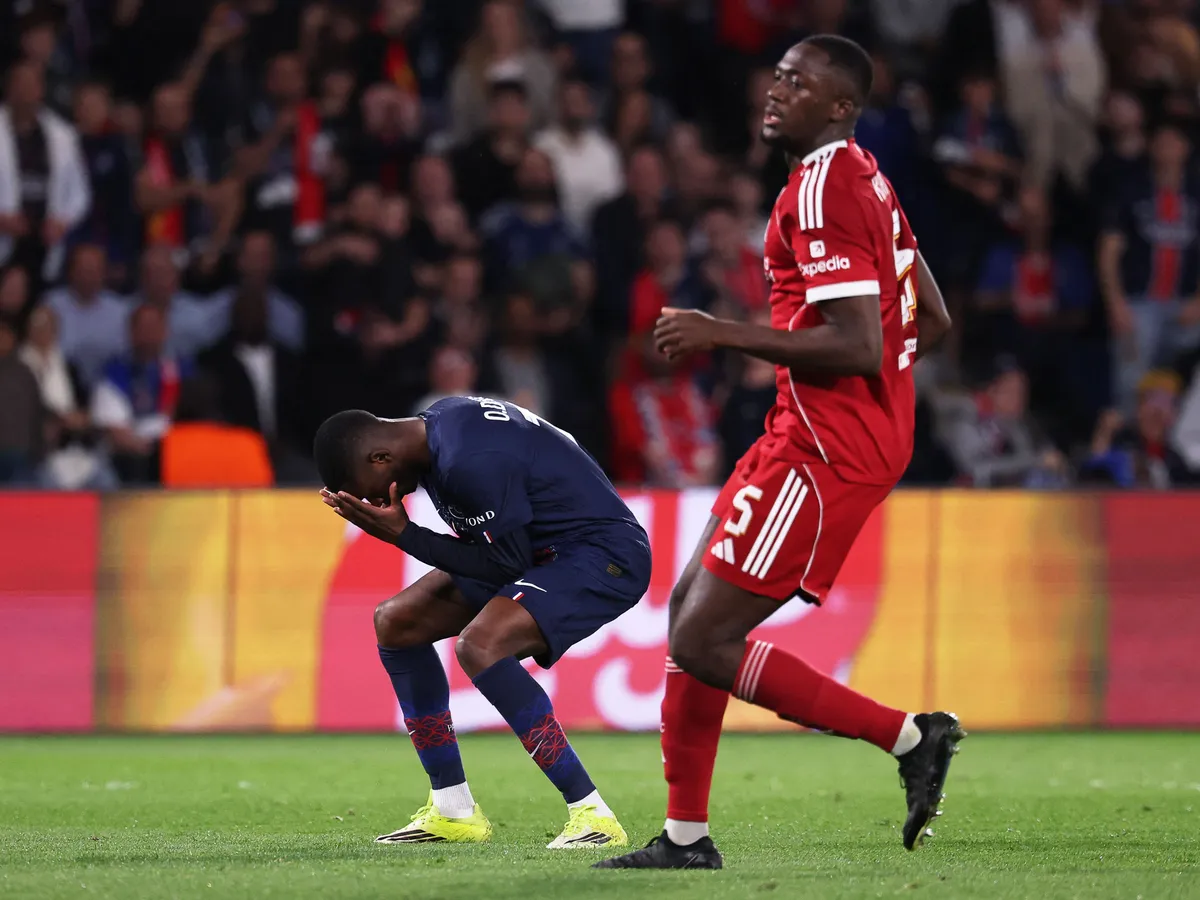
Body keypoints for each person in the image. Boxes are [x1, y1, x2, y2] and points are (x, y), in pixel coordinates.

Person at [596, 35, 958, 871]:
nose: (776, 88)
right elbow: (926, 320)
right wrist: (871, 400)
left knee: (704, 639)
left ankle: (909, 738)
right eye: (778, 75)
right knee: (691, 615)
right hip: (808, 430)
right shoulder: (857, 175)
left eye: (800, 82)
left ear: (839, 106)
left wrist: (722, 333)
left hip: (827, 447)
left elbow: (862, 342)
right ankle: (685, 836)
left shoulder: (830, 185)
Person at [313, 396, 650, 849]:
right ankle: (453, 810)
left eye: (367, 488)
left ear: (381, 457)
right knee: (397, 621)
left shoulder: (468, 460)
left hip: (602, 555)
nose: (375, 501)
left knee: (481, 644)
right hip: (541, 552)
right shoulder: (440, 430)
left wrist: (404, 535)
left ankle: (592, 814)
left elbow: (501, 565)